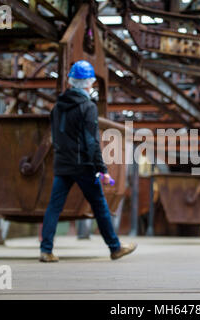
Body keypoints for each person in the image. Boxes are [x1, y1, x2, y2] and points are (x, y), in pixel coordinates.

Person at [39, 60, 137, 262]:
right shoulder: (87, 107)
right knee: (100, 205)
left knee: (54, 207)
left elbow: (55, 137)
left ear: (71, 81)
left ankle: (46, 250)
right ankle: (115, 247)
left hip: (62, 164)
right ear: (88, 83)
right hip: (83, 166)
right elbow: (91, 142)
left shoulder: (57, 107)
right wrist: (102, 169)